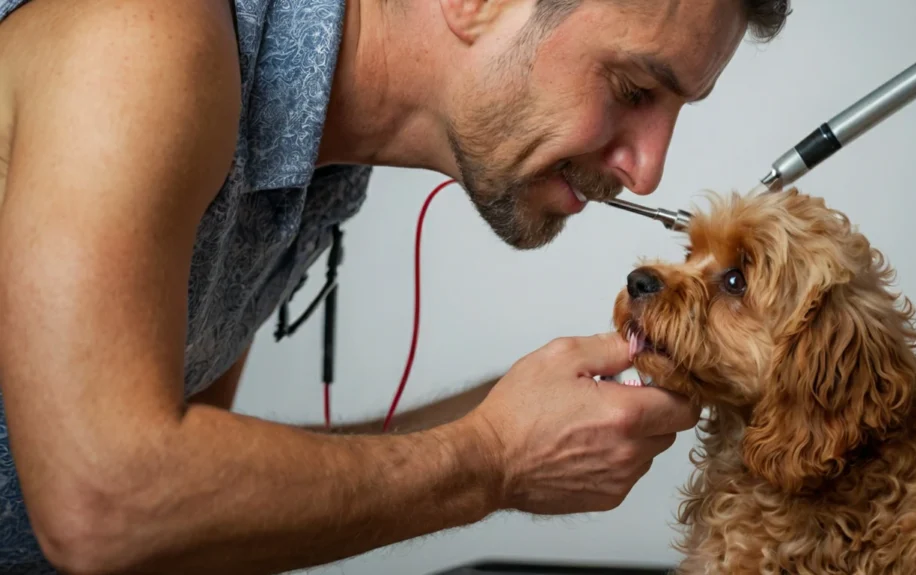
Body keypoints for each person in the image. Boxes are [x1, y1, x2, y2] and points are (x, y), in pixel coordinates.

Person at [0, 0, 789, 572]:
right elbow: (106, 504)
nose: (647, 167)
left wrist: (504, 420)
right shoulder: (143, 34)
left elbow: (184, 521)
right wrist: (491, 457)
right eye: (632, 89)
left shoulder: (317, 172)